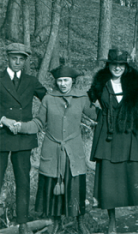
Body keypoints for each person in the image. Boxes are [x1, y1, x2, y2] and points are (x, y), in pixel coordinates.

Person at [10, 65, 97, 234]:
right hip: (52, 150)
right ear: (56, 82)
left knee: (75, 186)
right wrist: (20, 126)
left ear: (72, 81)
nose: (63, 84)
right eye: (60, 80)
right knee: (53, 188)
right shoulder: (49, 98)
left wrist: (117, 117)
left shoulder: (81, 98)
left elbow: (96, 115)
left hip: (74, 150)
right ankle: (56, 223)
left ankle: (80, 222)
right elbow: (38, 123)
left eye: (66, 80)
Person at [88, 49, 138, 234]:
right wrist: (101, 117)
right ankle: (112, 223)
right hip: (109, 138)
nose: (117, 68)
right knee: (109, 179)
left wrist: (135, 117)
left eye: (121, 65)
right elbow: (86, 103)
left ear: (126, 66)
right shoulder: (100, 83)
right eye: (113, 64)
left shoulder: (137, 83)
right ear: (108, 65)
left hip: (132, 135)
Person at [0, 43, 47, 234]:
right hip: (1, 135)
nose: (17, 62)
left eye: (21, 59)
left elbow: (49, 100)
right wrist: (4, 119)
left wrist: (38, 121)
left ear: (25, 61)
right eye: (14, 58)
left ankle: (23, 222)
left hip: (23, 138)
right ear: (7, 58)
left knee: (23, 180)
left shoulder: (31, 81)